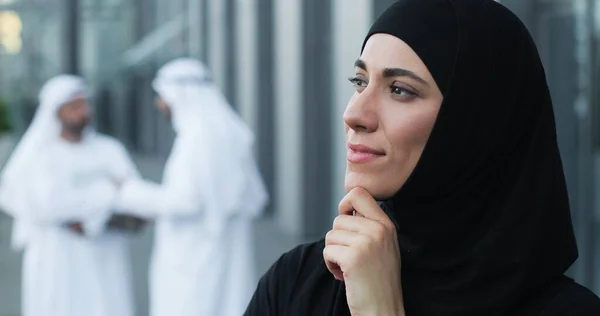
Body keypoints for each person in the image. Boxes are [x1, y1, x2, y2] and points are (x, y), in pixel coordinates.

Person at [244, 0, 600, 315]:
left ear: (474, 122)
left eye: (400, 90)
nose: (354, 114)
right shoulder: (297, 283)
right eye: (359, 81)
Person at [114, 58, 269, 316]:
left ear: (179, 95)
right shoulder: (227, 132)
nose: (159, 104)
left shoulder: (197, 138)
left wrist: (129, 191)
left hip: (196, 258)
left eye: (161, 96)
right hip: (221, 252)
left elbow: (184, 202)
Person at [0, 75, 140, 316]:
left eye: (84, 104)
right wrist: (108, 192)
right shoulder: (39, 156)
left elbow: (134, 194)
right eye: (73, 106)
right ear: (56, 112)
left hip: (106, 255)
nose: (82, 112)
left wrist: (85, 206)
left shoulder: (109, 149)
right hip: (56, 256)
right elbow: (49, 205)